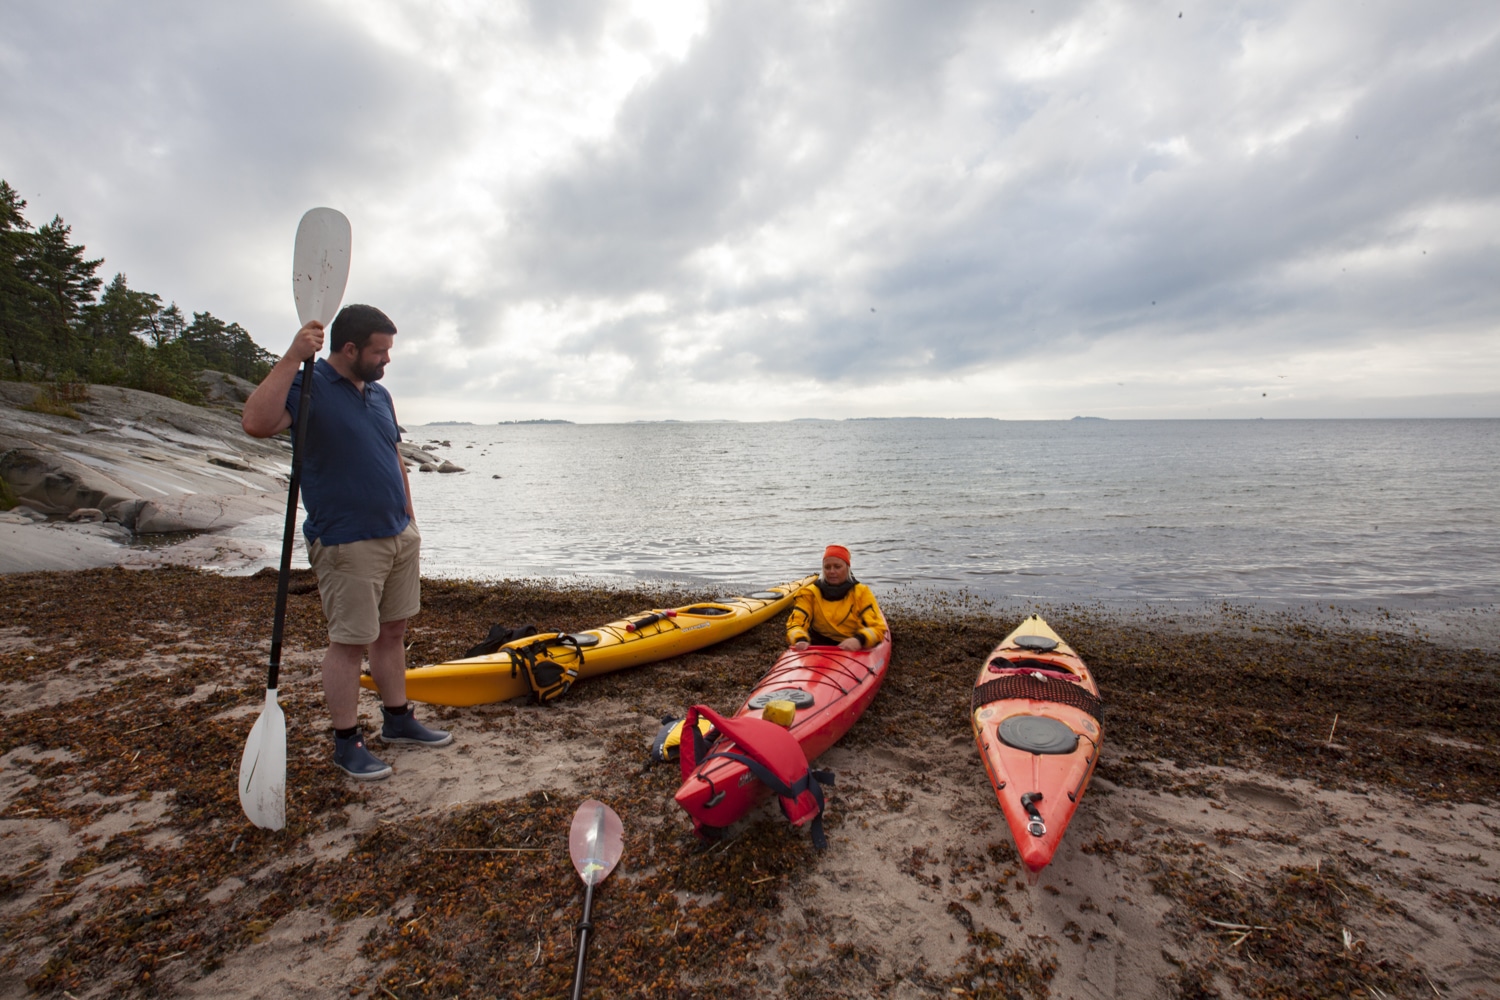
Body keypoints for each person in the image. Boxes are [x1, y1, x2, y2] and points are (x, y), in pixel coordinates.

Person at [242, 304, 451, 781]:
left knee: (393, 631)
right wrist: (294, 355)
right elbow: (255, 422)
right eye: (380, 351)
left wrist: (410, 520)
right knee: (349, 643)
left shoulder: (379, 395)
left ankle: (397, 720)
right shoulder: (307, 386)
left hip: (396, 533)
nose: (387, 360)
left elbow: (393, 455)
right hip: (346, 540)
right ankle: (346, 742)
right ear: (351, 348)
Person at [787, 545, 888, 651]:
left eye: (837, 567)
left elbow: (878, 628)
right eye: (827, 567)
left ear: (847, 568)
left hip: (854, 644)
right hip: (818, 644)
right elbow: (795, 623)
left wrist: (859, 640)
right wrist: (800, 639)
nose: (831, 571)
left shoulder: (861, 592)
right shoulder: (809, 593)